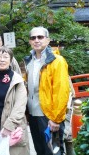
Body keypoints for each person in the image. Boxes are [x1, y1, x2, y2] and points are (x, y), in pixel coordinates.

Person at [24, 27, 70, 155]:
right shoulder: (29, 61)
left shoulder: (56, 61)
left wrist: (56, 118)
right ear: (30, 41)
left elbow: (61, 91)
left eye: (40, 37)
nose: (36, 40)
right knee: (40, 150)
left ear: (48, 40)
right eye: (33, 38)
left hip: (49, 115)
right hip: (33, 115)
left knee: (53, 152)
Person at [0, 46, 30, 155]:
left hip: (11, 126)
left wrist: (9, 126)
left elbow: (20, 106)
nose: (2, 59)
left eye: (5, 57)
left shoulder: (17, 80)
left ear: (11, 60)